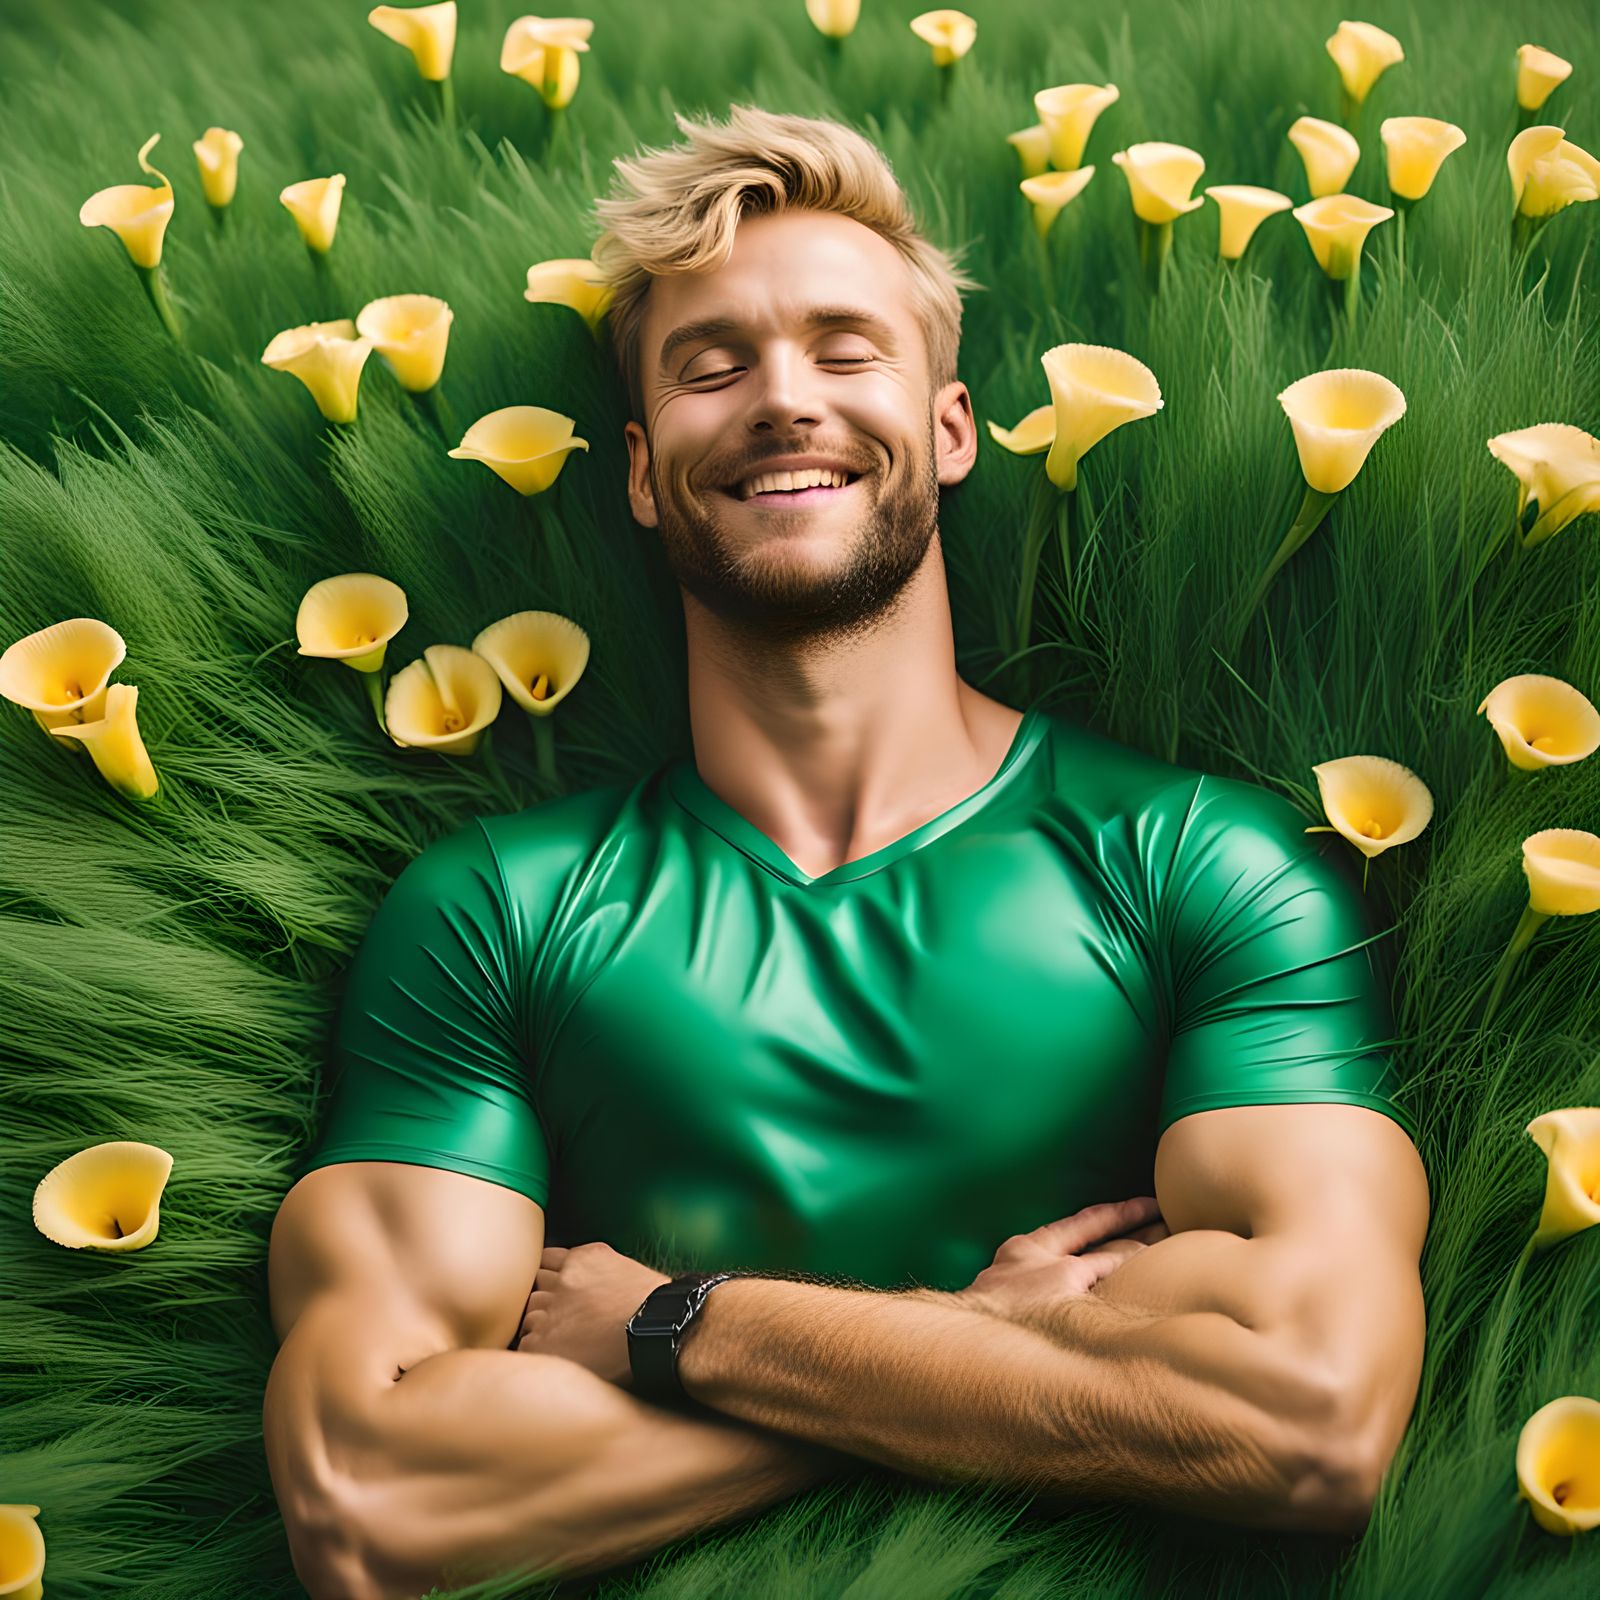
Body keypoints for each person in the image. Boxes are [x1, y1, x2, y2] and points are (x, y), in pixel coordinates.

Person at [262, 103, 1429, 1600]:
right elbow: (368, 1502)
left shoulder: (1201, 864)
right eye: (710, 365)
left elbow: (1308, 1426)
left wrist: (677, 1328)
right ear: (638, 468)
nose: (780, 398)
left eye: (844, 347)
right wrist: (992, 1330)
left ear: (948, 431)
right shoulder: (492, 912)